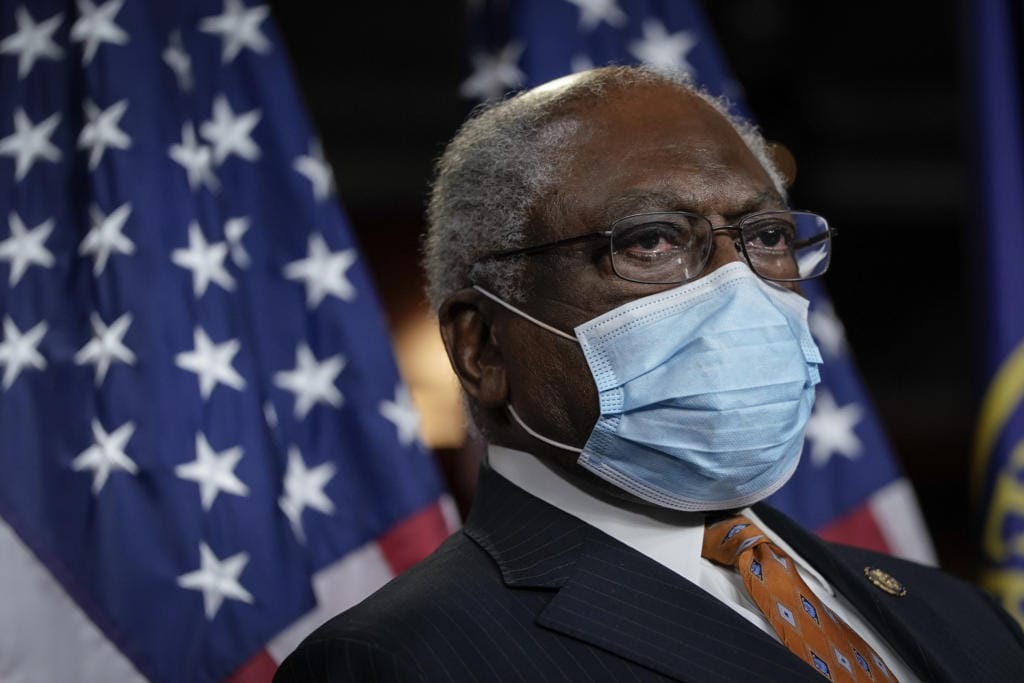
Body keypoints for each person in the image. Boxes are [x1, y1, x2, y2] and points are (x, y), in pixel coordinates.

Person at [274, 66, 1024, 682]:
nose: (742, 288)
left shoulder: (960, 617)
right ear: (484, 348)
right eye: (652, 242)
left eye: (765, 236)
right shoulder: (400, 662)